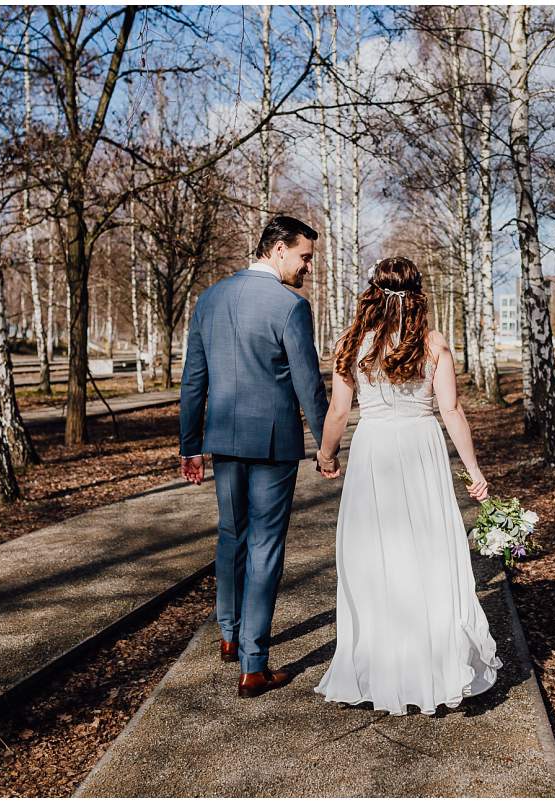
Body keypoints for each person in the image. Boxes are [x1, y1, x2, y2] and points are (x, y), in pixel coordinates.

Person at [312, 255, 502, 716]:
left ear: (373, 292)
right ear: (417, 294)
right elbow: (452, 411)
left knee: (374, 556)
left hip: (375, 450)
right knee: (427, 553)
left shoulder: (353, 342)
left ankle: (382, 667)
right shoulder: (432, 343)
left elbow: (338, 413)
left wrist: (326, 454)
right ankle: (431, 668)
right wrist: (474, 470)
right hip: (420, 449)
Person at [179, 215, 339, 699]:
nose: (308, 267)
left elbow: (193, 380)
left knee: (232, 536)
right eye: (305, 256)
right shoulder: (290, 305)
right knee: (265, 546)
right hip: (272, 444)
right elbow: (307, 383)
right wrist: (325, 446)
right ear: (277, 249)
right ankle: (254, 663)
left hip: (224, 438)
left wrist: (190, 444)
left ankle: (229, 635)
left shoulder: (210, 298)